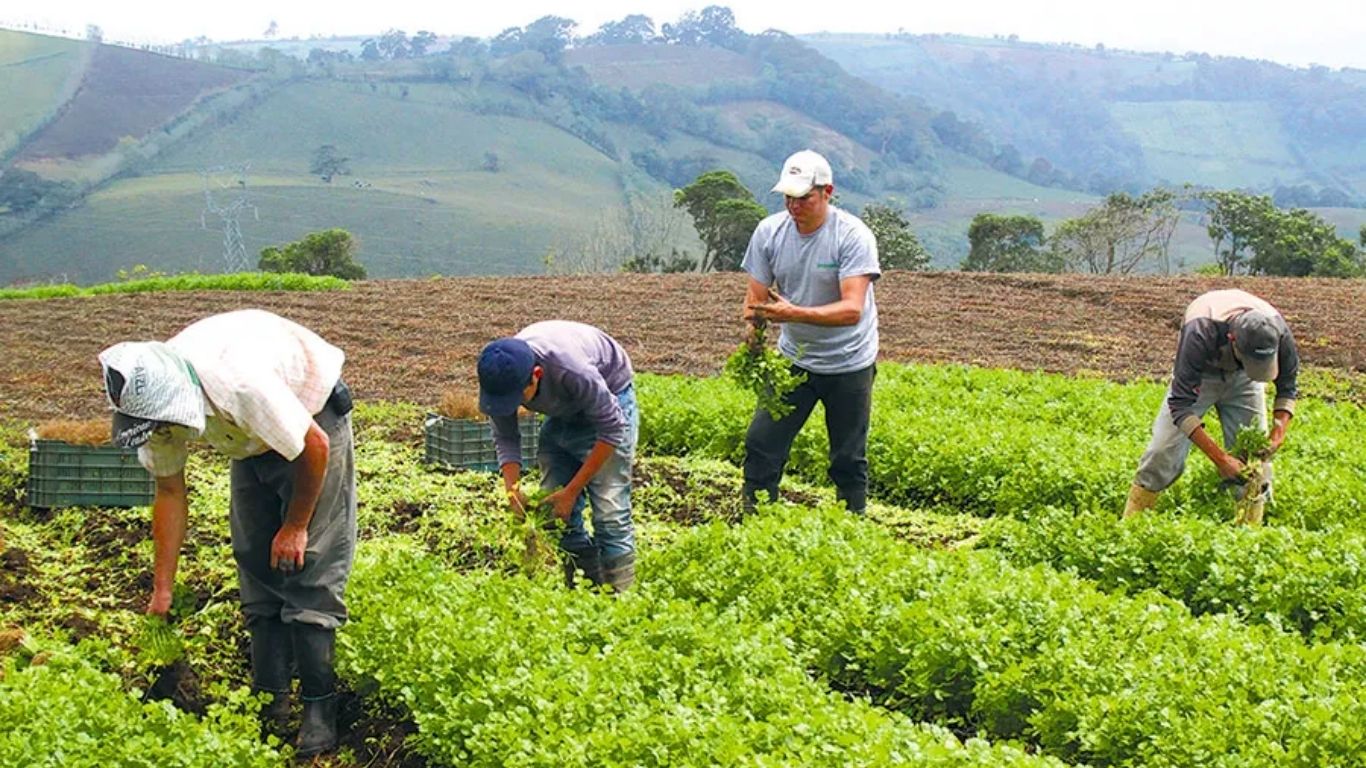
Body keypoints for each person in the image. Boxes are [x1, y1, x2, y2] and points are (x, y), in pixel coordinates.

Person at [99, 309, 355, 756]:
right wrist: (162, 590)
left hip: (312, 421)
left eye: (161, 426)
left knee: (308, 562)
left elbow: (314, 447)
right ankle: (269, 701)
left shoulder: (239, 385)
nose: (159, 434)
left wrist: (295, 526)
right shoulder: (152, 404)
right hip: (248, 440)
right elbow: (169, 491)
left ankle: (319, 708)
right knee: (255, 557)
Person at [740, 149, 881, 514]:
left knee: (848, 459)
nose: (794, 205)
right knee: (761, 445)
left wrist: (792, 313)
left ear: (827, 192)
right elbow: (755, 298)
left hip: (849, 362)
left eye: (803, 197)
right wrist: (754, 337)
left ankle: (851, 528)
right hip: (794, 360)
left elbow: (852, 309)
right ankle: (755, 523)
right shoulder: (769, 232)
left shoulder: (852, 236)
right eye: (788, 196)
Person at [477, 320, 638, 591]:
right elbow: (506, 436)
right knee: (554, 511)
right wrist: (512, 492)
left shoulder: (572, 369)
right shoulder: (501, 377)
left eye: (519, 397)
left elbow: (612, 430)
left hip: (611, 397)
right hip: (564, 406)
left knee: (610, 513)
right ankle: (584, 587)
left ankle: (620, 602)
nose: (514, 405)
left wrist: (573, 490)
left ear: (537, 375)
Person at [1125, 288, 1300, 524]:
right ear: (1232, 340)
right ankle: (1132, 523)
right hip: (1202, 377)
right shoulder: (1200, 332)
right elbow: (1180, 405)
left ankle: (1250, 533)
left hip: (1244, 381)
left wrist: (1278, 434)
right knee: (1161, 452)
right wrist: (1220, 459)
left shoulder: (1277, 332)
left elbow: (1287, 388)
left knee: (1255, 461)